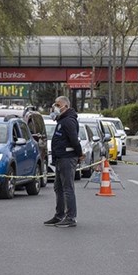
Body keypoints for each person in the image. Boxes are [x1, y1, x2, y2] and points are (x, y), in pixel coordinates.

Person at [45, 96, 84, 228]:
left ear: (65, 107)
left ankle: (70, 217)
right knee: (58, 187)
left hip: (67, 158)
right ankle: (59, 215)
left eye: (57, 104)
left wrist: (80, 154)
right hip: (61, 158)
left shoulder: (68, 121)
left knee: (68, 188)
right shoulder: (62, 121)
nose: (54, 107)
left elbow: (74, 140)